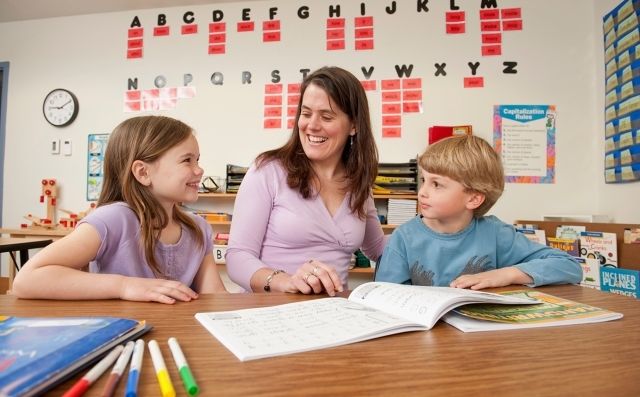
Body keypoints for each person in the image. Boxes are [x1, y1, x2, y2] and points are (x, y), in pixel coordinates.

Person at [12, 115, 227, 303]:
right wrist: (125, 286)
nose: (199, 170)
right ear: (143, 172)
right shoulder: (114, 219)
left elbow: (214, 295)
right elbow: (27, 279)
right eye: (187, 160)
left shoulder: (198, 228)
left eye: (197, 159)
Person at [226, 66, 386, 295]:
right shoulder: (268, 170)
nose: (311, 125)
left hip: (333, 313)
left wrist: (434, 227)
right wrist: (287, 282)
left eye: (327, 116)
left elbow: (377, 248)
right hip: (269, 312)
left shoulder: (357, 182)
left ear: (354, 125)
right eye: (306, 113)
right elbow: (237, 257)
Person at [375, 135, 582, 289]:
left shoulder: (495, 233)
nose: (422, 192)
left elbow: (569, 266)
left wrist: (506, 274)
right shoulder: (403, 238)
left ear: (473, 198)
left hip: (482, 340)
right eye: (423, 181)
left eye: (436, 184)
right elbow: (383, 296)